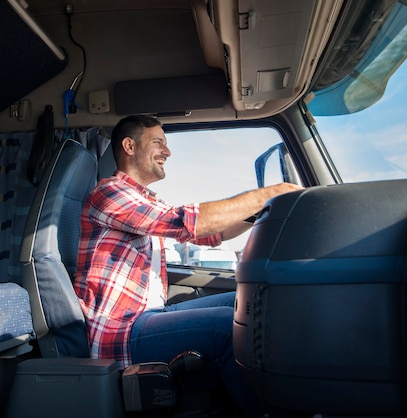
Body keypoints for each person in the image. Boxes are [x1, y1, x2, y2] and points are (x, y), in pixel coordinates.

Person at [73, 115, 303, 417]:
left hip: (145, 315)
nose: (167, 152)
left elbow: (211, 233)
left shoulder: (142, 200)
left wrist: (262, 209)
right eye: (158, 143)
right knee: (226, 327)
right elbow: (185, 221)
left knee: (248, 302)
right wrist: (266, 193)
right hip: (119, 328)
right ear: (129, 146)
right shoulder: (110, 192)